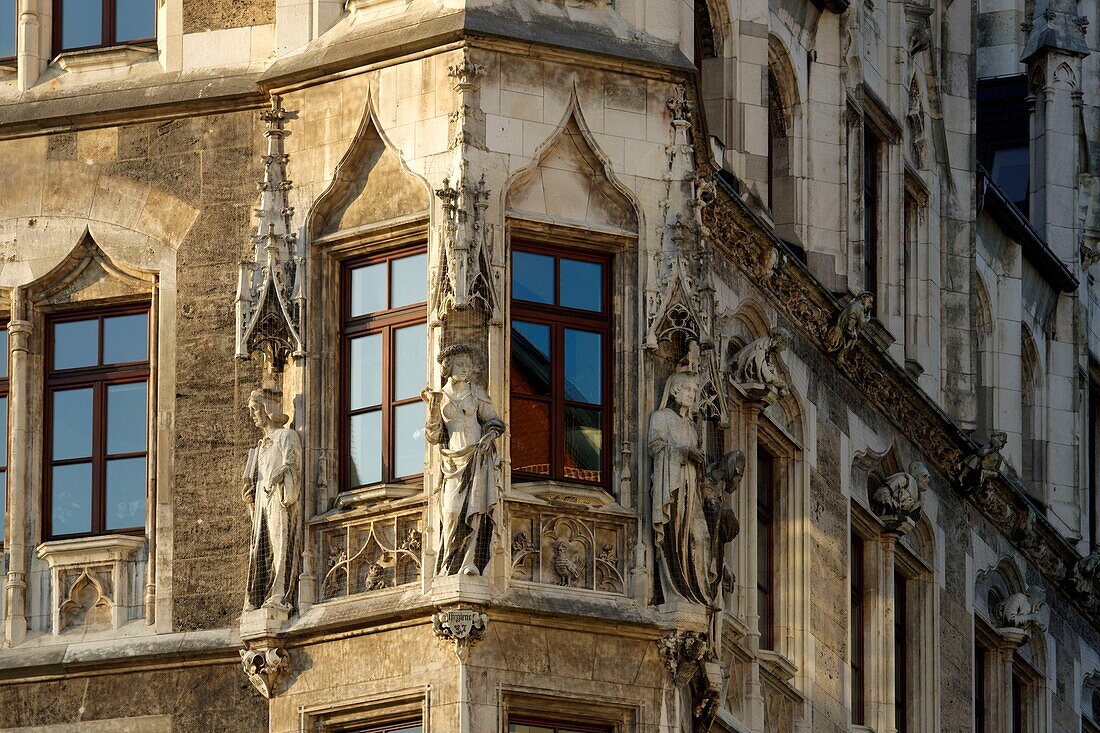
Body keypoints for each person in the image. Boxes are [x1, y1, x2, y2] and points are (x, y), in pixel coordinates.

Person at [423, 344, 505, 577]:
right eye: (460, 365)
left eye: (468, 366)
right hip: (452, 462)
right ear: (448, 367)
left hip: (477, 458)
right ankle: (450, 564)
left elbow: (494, 421)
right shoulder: (439, 397)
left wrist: (490, 435)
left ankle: (470, 564)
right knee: (450, 512)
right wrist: (431, 413)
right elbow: (435, 436)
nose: (465, 370)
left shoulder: (477, 393)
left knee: (476, 512)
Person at [650, 351, 715, 606]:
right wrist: (682, 452)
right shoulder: (662, 418)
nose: (692, 395)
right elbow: (655, 447)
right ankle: (678, 589)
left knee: (702, 536)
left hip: (691, 486)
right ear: (676, 392)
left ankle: (697, 592)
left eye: (695, 391)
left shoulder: (690, 427)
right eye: (688, 390)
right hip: (672, 485)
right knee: (680, 538)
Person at [242, 388, 302, 612]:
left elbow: (292, 465)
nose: (253, 415)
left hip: (279, 499)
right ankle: (260, 596)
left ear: (267, 409)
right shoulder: (260, 447)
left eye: (255, 409)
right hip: (263, 502)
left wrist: (282, 475)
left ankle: (278, 593)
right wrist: (250, 500)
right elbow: (259, 480)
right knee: (261, 548)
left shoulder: (286, 436)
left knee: (280, 543)